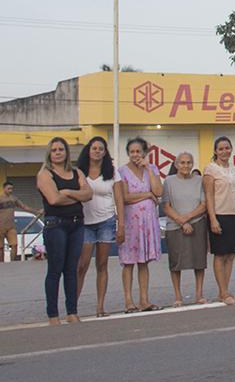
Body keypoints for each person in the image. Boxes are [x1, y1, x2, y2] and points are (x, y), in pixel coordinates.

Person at [36, 137, 91, 323]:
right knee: (55, 269)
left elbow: (89, 193)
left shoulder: (76, 172)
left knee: (71, 269)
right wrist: (78, 196)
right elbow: (53, 200)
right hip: (56, 225)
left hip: (76, 224)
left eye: (61, 149)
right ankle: (53, 314)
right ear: (49, 153)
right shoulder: (45, 174)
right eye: (54, 150)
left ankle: (72, 312)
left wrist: (67, 193)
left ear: (67, 152)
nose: (58, 152)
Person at [114, 137, 163, 312]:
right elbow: (125, 197)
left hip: (148, 223)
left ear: (145, 153)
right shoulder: (122, 172)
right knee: (128, 262)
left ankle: (144, 300)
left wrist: (148, 169)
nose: (135, 155)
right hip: (131, 222)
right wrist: (148, 195)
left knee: (144, 262)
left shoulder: (152, 169)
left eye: (138, 151)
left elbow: (159, 191)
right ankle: (129, 301)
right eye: (132, 151)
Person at [76, 137, 118, 317]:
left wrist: (121, 223)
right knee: (81, 266)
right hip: (85, 223)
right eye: (94, 148)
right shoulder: (79, 172)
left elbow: (119, 199)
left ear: (105, 152)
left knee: (102, 264)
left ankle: (100, 307)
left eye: (101, 149)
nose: (97, 151)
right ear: (88, 150)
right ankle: (73, 306)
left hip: (106, 221)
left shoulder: (112, 172)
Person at [161, 151, 209, 306]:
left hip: (197, 222)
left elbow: (203, 204)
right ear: (176, 165)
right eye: (182, 162)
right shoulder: (168, 181)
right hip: (175, 225)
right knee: (176, 262)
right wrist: (181, 222)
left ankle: (199, 294)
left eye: (189, 162)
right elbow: (166, 206)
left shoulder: (199, 180)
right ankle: (177, 296)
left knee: (199, 260)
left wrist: (187, 219)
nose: (185, 165)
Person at [203, 136, 235, 305]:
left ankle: (225, 290)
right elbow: (209, 196)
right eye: (221, 149)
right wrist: (213, 219)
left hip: (234, 215)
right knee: (220, 254)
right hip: (219, 215)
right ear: (215, 151)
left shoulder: (234, 170)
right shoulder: (210, 170)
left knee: (231, 254)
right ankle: (223, 291)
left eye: (227, 148)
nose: (224, 151)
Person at [0, 180, 31, 263]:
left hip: (11, 226)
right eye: (8, 188)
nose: (10, 190)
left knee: (14, 245)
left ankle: (12, 263)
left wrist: (36, 211)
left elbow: (24, 207)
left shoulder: (14, 198)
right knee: (1, 247)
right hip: (1, 226)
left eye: (11, 188)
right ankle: (2, 264)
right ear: (4, 188)